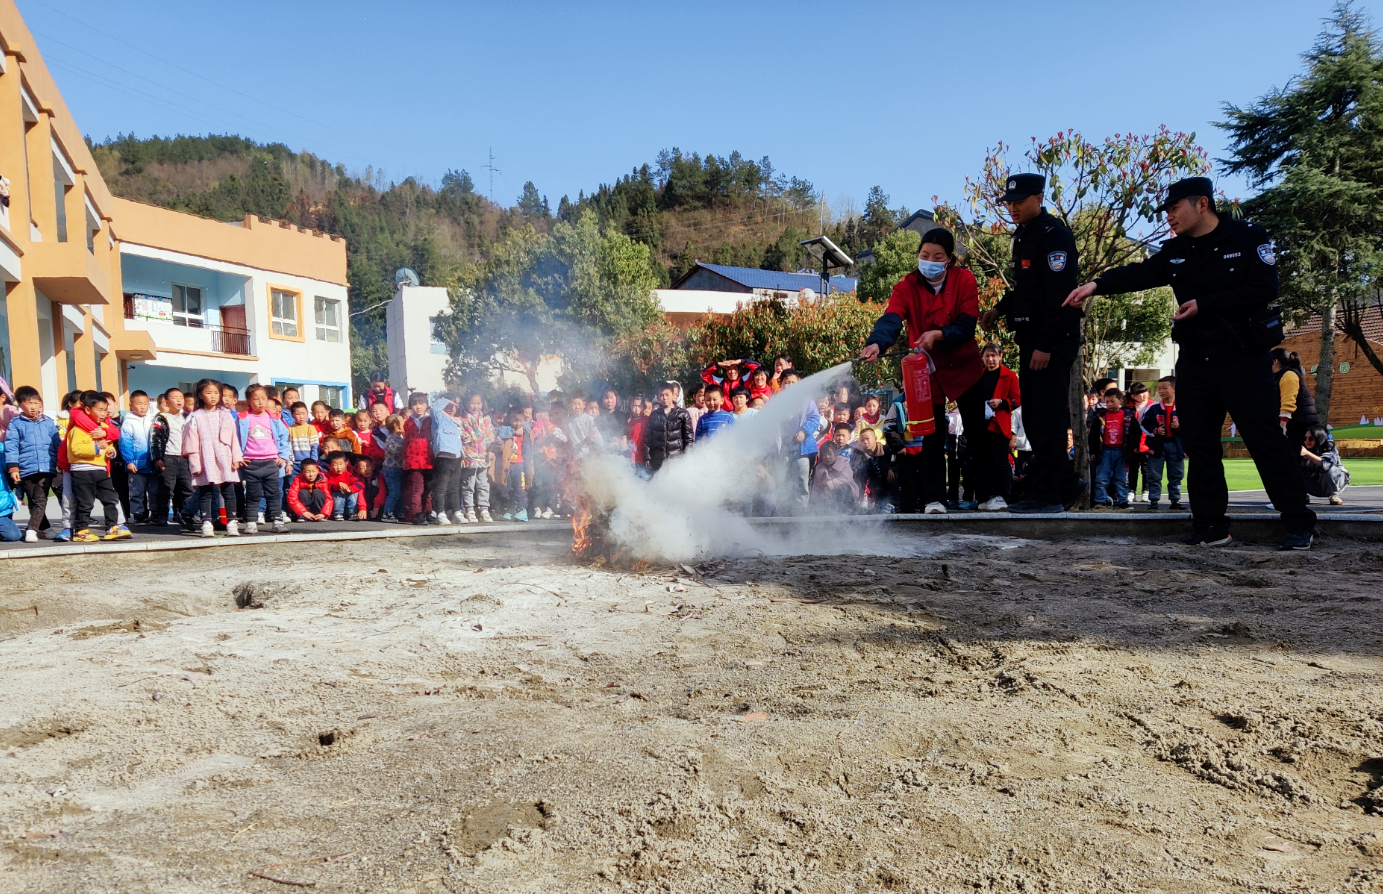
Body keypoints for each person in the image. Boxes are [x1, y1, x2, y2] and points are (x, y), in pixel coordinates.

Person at [1066, 176, 1315, 549]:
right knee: (1199, 446)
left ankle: (1298, 523)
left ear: (1202, 204)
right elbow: (1140, 273)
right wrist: (1096, 286)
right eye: (1165, 210)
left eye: (1174, 207)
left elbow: (1265, 288)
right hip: (1197, 362)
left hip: (1244, 359)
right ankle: (1212, 527)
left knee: (1265, 441)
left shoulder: (1248, 237)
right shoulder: (1175, 250)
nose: (1168, 216)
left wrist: (1205, 303)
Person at [975, 175, 1085, 513]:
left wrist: (1047, 345)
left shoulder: (1055, 237)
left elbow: (1060, 297)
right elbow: (1026, 288)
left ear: (1039, 198)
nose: (1012, 208)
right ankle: (1064, 484)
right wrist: (1000, 308)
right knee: (1035, 420)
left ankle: (1049, 495)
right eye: (1009, 202)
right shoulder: (1025, 236)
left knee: (1047, 419)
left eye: (1019, 201)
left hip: (1050, 344)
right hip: (1031, 341)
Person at [861, 226, 989, 515]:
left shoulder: (965, 280)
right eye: (924, 254)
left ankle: (990, 494)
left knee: (978, 430)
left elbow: (967, 324)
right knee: (931, 434)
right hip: (926, 371)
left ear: (950, 259)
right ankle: (934, 499)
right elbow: (891, 318)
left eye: (937, 255)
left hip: (964, 365)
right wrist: (876, 344)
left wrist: (938, 334)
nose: (929, 260)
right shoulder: (905, 286)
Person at [66, 391, 130, 542]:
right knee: (85, 502)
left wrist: (110, 452)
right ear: (87, 410)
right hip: (82, 471)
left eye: (105, 410)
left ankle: (112, 527)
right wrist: (95, 447)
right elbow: (76, 449)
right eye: (99, 410)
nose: (103, 413)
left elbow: (108, 446)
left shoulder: (102, 427)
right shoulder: (78, 429)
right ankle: (81, 530)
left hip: (100, 470)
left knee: (111, 498)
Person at [183, 378, 243, 538]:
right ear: (200, 395)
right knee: (206, 492)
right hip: (205, 458)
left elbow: (233, 438)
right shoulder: (195, 416)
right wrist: (195, 464)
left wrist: (236, 457)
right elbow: (191, 444)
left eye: (216, 392)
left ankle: (231, 522)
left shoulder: (226, 415)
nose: (213, 396)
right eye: (209, 393)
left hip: (224, 456)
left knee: (229, 491)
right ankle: (207, 523)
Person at [5, 385, 61, 541]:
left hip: (48, 467)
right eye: (29, 403)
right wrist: (13, 467)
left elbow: (57, 443)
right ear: (20, 405)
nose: (33, 407)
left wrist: (61, 462)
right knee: (34, 499)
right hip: (27, 468)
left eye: (36, 403)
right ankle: (43, 528)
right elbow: (12, 446)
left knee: (40, 499)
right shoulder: (16, 424)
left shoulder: (48, 422)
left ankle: (32, 529)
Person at [237, 384, 291, 534]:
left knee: (273, 493)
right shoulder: (243, 419)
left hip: (271, 462)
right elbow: (235, 438)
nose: (261, 402)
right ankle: (251, 521)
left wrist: (283, 457)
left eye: (264, 398)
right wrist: (239, 456)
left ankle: (277, 521)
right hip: (251, 464)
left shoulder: (273, 418)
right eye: (256, 399)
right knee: (253, 494)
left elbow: (284, 437)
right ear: (249, 401)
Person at [975, 343, 1021, 511]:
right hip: (982, 424)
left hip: (1000, 424)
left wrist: (1002, 403)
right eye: (987, 356)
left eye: (994, 355)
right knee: (983, 461)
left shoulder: (1009, 376)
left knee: (1000, 461)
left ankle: (1002, 496)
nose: (991, 359)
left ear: (1000, 356)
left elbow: (1018, 399)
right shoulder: (979, 375)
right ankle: (984, 497)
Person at [150, 388, 193, 530]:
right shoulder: (161, 418)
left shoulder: (188, 417)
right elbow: (155, 439)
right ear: (167, 402)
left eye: (181, 397)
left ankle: (187, 515)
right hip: (168, 457)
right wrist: (157, 458)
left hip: (184, 458)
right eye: (175, 398)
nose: (179, 400)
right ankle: (162, 516)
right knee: (166, 489)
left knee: (187, 488)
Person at [1088, 389, 1134, 508]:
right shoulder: (1100, 416)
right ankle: (1101, 501)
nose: (1109, 404)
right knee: (1101, 478)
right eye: (1107, 402)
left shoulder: (1128, 415)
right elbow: (1093, 435)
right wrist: (1093, 451)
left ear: (1120, 400)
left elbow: (1135, 434)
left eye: (1112, 401)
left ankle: (1123, 501)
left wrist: (1133, 449)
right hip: (1104, 451)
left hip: (1121, 451)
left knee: (1121, 479)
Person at [118, 390, 158, 524]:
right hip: (136, 463)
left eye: (145, 404)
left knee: (154, 490)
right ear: (131, 405)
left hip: (153, 462)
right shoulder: (128, 422)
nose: (142, 407)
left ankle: (155, 512)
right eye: (139, 404)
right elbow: (125, 443)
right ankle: (139, 513)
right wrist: (129, 461)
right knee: (137, 491)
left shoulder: (153, 419)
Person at [1270, 347, 1319, 449]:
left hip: (1300, 423)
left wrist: (1283, 424)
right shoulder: (1279, 376)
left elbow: (1288, 401)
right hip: (1297, 422)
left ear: (1275, 361)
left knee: (1298, 456)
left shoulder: (1289, 375)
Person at [459, 393, 496, 523]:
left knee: (483, 484)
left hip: (483, 456)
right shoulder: (462, 420)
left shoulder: (486, 420)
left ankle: (484, 509)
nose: (476, 406)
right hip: (469, 456)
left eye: (478, 403)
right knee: (469, 484)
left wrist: (490, 449)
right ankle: (469, 510)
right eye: (472, 403)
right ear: (466, 404)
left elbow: (490, 436)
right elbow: (462, 436)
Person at [644, 383, 693, 472]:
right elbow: (648, 438)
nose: (664, 398)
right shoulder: (654, 415)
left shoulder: (683, 414)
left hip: (676, 460)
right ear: (658, 398)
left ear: (673, 396)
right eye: (661, 395)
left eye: (667, 395)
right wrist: (647, 457)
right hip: (658, 461)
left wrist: (688, 457)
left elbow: (688, 438)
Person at [403, 393, 434, 525]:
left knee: (428, 488)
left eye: (421, 403)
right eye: (415, 404)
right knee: (417, 488)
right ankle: (416, 513)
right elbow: (406, 442)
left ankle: (428, 511)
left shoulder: (430, 420)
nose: (418, 407)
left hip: (429, 459)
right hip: (414, 460)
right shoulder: (409, 423)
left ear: (426, 405)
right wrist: (404, 457)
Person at [1300, 424, 1349, 505]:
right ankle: (1301, 495)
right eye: (1305, 438)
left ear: (1319, 438)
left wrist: (1307, 454)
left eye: (1311, 439)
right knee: (1295, 468)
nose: (1307, 441)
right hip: (1314, 484)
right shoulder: (1302, 448)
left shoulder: (1329, 447)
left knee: (1330, 470)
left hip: (1336, 482)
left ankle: (1333, 495)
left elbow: (1326, 464)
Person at [1125, 383, 1152, 502]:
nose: (1144, 395)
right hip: (1133, 443)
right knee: (1133, 468)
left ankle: (1146, 491)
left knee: (1146, 469)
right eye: (1141, 393)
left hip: (1148, 442)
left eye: (1146, 391)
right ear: (1133, 396)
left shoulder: (1153, 406)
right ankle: (1132, 491)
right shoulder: (1128, 408)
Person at [322, 451, 366, 521]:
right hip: (334, 504)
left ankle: (352, 512)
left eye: (341, 464)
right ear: (330, 466)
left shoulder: (348, 475)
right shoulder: (328, 475)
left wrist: (350, 489)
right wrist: (338, 485)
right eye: (335, 465)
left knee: (354, 492)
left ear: (345, 464)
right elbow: (329, 486)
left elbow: (360, 484)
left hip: (347, 503)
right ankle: (337, 513)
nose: (339, 467)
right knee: (338, 494)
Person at [380, 414, 406, 522]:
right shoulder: (391, 438)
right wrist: (405, 443)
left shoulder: (399, 437)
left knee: (399, 492)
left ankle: (397, 511)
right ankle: (387, 513)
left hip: (398, 468)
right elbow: (393, 449)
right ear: (397, 425)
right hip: (391, 469)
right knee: (394, 492)